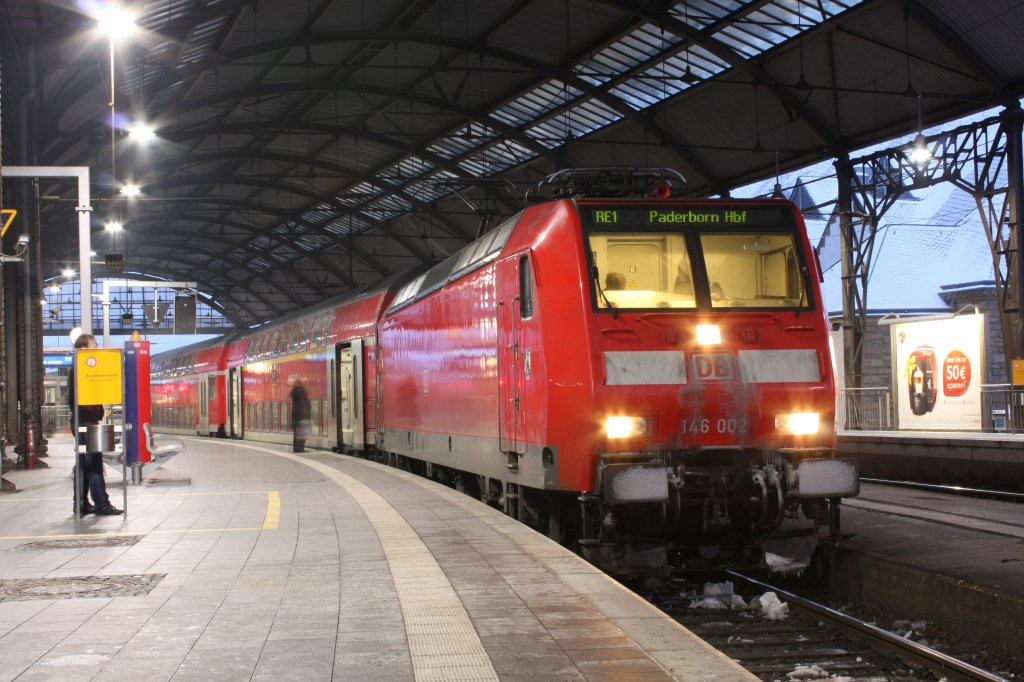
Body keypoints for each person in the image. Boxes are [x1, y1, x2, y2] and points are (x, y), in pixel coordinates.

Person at [68, 333, 123, 516]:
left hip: (81, 420)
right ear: (84, 348)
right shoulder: (83, 368)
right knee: (94, 464)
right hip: (85, 421)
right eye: (95, 345)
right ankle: (101, 504)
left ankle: (81, 504)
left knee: (84, 464)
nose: (97, 348)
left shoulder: (76, 368)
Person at [290, 380, 311, 453]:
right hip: (302, 417)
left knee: (297, 435)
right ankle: (300, 449)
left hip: (296, 418)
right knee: (302, 435)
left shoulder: (294, 392)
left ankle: (296, 449)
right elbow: (304, 405)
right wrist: (306, 414)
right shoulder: (302, 392)